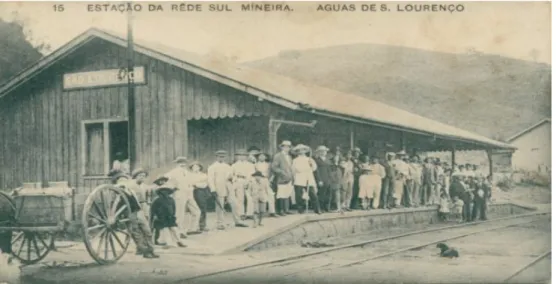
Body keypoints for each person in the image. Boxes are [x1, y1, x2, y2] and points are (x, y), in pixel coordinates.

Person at [109, 170, 159, 258]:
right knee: (137, 233)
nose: (123, 180)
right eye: (120, 179)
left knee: (147, 231)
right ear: (117, 181)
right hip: (129, 213)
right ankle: (145, 251)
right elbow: (114, 204)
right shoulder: (117, 190)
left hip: (138, 211)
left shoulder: (130, 188)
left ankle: (151, 250)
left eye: (124, 179)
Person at [207, 150, 248, 230]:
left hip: (229, 187)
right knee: (220, 206)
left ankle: (238, 221)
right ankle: (220, 223)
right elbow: (210, 179)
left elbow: (232, 177)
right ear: (216, 157)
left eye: (223, 156)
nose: (221, 158)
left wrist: (232, 178)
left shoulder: (228, 166)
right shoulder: (212, 167)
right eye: (220, 156)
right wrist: (213, 189)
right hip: (218, 188)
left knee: (235, 204)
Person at [164, 156, 201, 238]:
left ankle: (192, 229)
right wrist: (172, 189)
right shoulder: (172, 172)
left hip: (189, 194)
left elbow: (193, 181)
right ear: (177, 164)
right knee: (179, 214)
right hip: (179, 194)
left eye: (184, 162)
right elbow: (165, 179)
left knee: (197, 211)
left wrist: (191, 187)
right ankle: (179, 232)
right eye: (180, 162)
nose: (182, 164)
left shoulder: (187, 172)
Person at [150, 177, 186, 248]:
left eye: (166, 191)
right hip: (162, 217)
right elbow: (153, 210)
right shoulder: (157, 200)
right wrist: (155, 216)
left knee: (174, 229)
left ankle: (178, 241)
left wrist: (173, 215)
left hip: (170, 217)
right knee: (165, 230)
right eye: (163, 191)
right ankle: (169, 243)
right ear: (160, 192)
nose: (165, 192)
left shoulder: (171, 199)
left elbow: (173, 208)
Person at [292, 144, 318, 214]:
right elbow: (296, 169)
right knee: (299, 195)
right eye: (299, 150)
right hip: (299, 178)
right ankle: (300, 209)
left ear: (305, 151)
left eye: (303, 150)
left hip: (308, 178)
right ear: (297, 152)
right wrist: (307, 169)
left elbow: (314, 168)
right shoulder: (295, 160)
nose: (301, 151)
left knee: (312, 194)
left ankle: (317, 209)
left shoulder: (309, 159)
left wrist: (311, 165)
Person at [271, 141, 295, 216]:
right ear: (281, 147)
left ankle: (286, 209)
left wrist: (292, 176)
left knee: (287, 193)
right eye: (285, 146)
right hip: (281, 178)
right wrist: (282, 172)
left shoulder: (290, 157)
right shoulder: (278, 156)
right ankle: (280, 210)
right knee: (281, 194)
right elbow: (274, 167)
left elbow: (291, 167)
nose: (287, 148)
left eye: (288, 147)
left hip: (289, 178)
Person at [232, 149, 256, 219]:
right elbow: (232, 174)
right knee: (240, 198)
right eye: (240, 155)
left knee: (250, 198)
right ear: (238, 157)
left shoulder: (250, 165)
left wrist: (248, 182)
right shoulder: (234, 165)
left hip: (247, 180)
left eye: (244, 155)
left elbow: (252, 174)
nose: (242, 157)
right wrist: (235, 180)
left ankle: (250, 213)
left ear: (246, 157)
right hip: (239, 180)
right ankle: (241, 213)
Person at [189, 161, 211, 232]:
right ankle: (194, 226)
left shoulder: (203, 175)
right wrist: (196, 183)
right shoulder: (189, 175)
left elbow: (204, 184)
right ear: (191, 168)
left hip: (200, 192)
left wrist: (196, 184)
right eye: (193, 167)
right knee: (194, 209)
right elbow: (189, 183)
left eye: (197, 166)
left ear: (200, 167)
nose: (195, 168)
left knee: (202, 208)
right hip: (191, 192)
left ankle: (202, 225)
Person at [255, 153, 277, 217]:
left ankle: (272, 211)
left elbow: (273, 173)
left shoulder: (268, 164)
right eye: (260, 156)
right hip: (259, 180)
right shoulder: (255, 165)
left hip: (267, 180)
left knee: (271, 195)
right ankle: (259, 212)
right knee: (259, 196)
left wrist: (271, 180)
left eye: (263, 156)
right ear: (258, 157)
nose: (262, 157)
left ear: (265, 157)